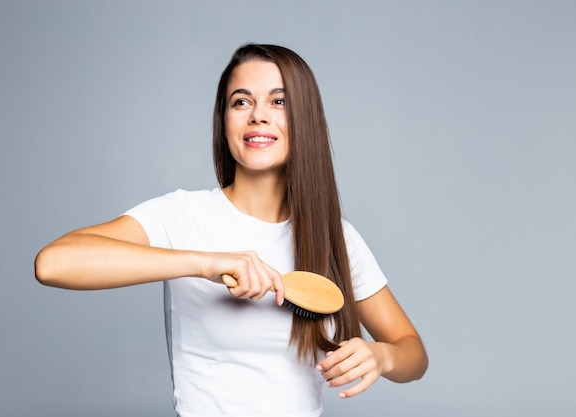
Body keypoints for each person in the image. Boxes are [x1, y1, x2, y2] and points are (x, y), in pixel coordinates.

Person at [35, 43, 428, 417]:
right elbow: (53, 264)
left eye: (279, 101)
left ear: (304, 120)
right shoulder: (183, 216)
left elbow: (413, 353)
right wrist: (204, 263)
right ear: (224, 122)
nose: (258, 115)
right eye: (241, 101)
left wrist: (383, 356)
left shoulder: (333, 237)